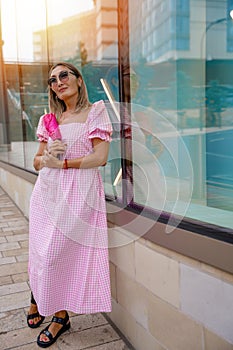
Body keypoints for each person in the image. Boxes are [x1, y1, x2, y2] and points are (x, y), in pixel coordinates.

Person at [27, 62, 112, 348]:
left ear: (77, 79)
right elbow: (37, 162)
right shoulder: (49, 119)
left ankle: (55, 312)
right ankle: (51, 307)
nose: (59, 81)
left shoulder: (95, 112)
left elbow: (99, 157)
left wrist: (63, 162)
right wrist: (47, 156)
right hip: (47, 193)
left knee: (56, 253)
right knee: (43, 251)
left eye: (64, 75)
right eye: (53, 80)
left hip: (78, 195)